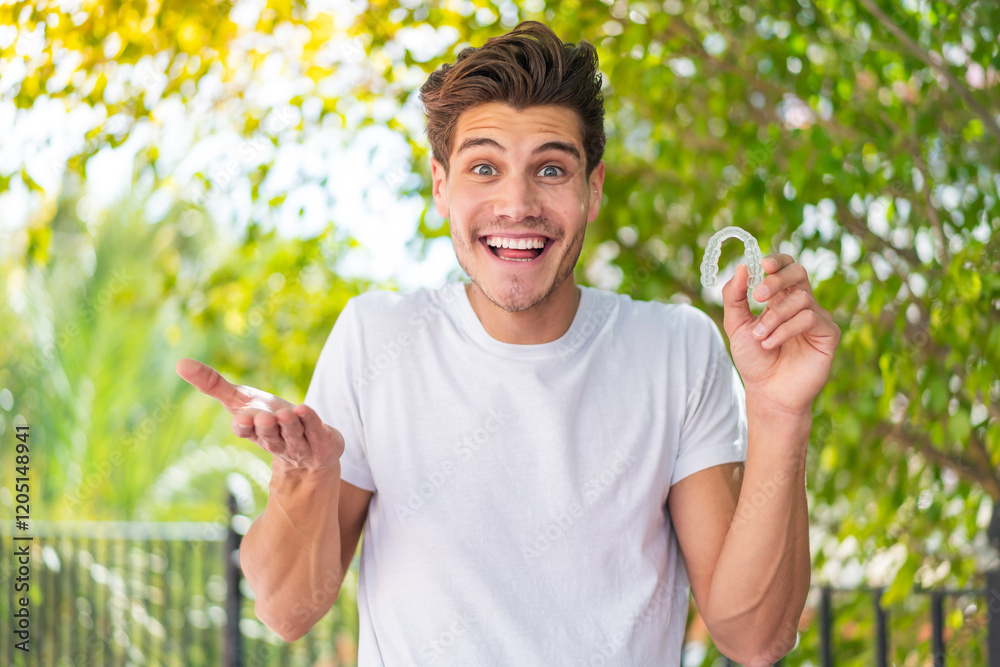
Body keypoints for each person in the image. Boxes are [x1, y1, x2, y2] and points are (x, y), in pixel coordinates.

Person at [176, 20, 840, 666]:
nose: (517, 203)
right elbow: (287, 610)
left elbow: (755, 638)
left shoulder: (677, 350)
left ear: (593, 190)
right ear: (442, 186)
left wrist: (780, 413)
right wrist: (305, 476)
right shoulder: (376, 338)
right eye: (484, 167)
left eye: (550, 169)